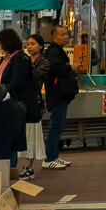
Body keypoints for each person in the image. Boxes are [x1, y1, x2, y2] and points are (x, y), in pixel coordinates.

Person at [0, 28, 40, 172]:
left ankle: (11, 170)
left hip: (13, 105)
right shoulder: (6, 59)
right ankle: (6, 170)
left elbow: (17, 85)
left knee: (11, 140)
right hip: (1, 103)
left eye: (0, 43)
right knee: (5, 139)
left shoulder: (20, 60)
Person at [35, 27, 79, 169]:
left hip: (61, 94)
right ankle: (49, 158)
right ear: (54, 37)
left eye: (67, 34)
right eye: (63, 35)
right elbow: (53, 69)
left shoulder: (57, 51)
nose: (66, 37)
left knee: (58, 126)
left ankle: (54, 156)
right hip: (57, 94)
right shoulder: (53, 52)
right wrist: (70, 68)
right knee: (55, 126)